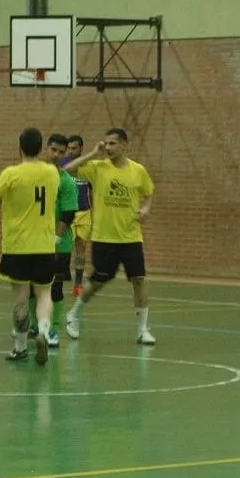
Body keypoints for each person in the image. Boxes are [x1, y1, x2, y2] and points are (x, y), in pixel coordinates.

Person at [62, 127, 156, 345]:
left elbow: (149, 192)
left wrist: (146, 208)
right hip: (104, 238)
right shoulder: (97, 167)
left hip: (131, 237)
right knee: (98, 281)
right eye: (106, 143)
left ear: (124, 145)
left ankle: (142, 330)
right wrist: (93, 153)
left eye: (112, 143)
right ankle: (74, 314)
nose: (108, 147)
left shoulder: (138, 170)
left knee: (139, 280)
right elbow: (67, 169)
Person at [0, 127, 60, 366]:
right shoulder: (52, 172)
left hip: (17, 246)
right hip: (44, 245)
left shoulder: (12, 174)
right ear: (42, 148)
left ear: (19, 147)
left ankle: (21, 347)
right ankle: (43, 331)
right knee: (44, 294)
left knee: (22, 298)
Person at [27, 133, 78, 348]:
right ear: (45, 149)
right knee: (32, 286)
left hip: (59, 244)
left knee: (54, 288)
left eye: (61, 152)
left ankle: (53, 329)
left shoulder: (66, 181)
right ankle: (34, 325)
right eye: (53, 150)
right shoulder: (33, 175)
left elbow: (68, 215)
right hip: (33, 242)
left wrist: (55, 240)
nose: (56, 155)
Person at [64, 135, 92, 297]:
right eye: (69, 148)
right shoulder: (63, 164)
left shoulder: (89, 166)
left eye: (74, 148)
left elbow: (93, 190)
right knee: (64, 246)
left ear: (81, 148)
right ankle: (59, 277)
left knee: (81, 247)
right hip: (69, 212)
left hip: (85, 212)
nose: (71, 151)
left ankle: (78, 283)